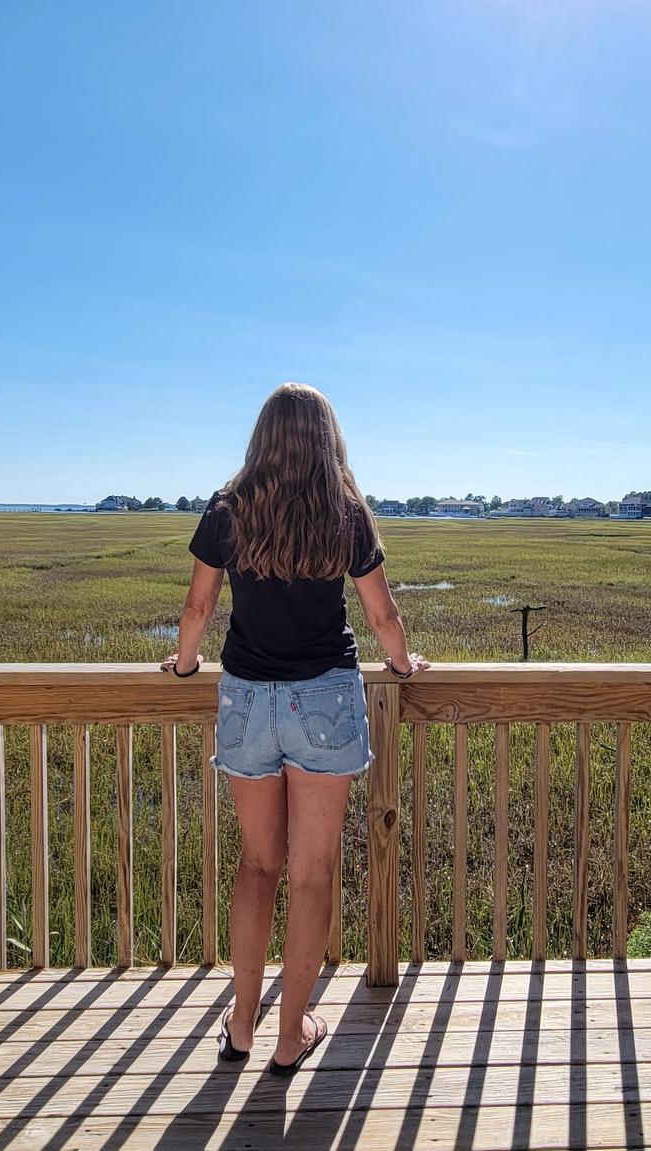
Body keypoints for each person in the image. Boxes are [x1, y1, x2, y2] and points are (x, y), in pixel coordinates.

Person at [162, 381, 427, 1077]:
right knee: (310, 873)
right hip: (324, 700)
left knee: (257, 865)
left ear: (262, 435)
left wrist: (186, 664)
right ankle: (290, 1037)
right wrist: (403, 662)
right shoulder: (344, 511)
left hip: (247, 698)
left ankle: (241, 1026)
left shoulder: (228, 508)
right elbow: (383, 617)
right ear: (325, 437)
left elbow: (196, 607)